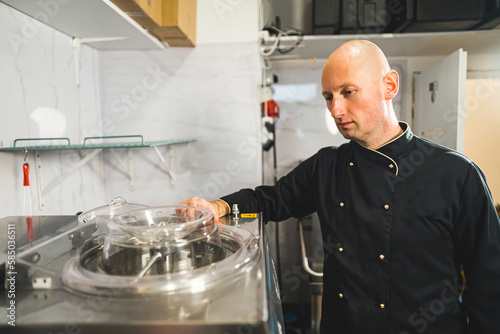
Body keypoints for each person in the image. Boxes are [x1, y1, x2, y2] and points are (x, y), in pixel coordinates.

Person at [181, 40, 500, 334]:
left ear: (388, 86)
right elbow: (271, 199)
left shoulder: (457, 174)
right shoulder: (327, 166)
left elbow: (489, 278)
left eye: (348, 92)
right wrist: (219, 206)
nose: (335, 110)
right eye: (329, 97)